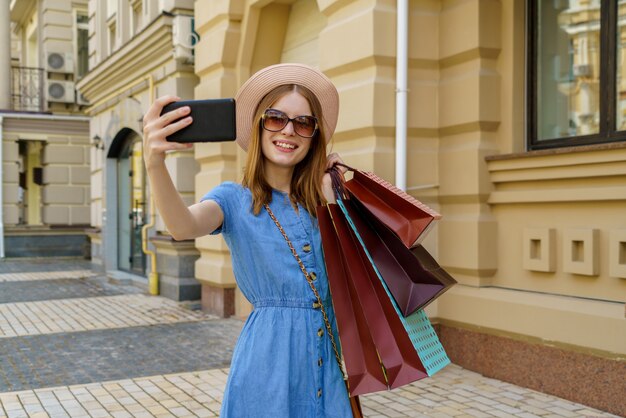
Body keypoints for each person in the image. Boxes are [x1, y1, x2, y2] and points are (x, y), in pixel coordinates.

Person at [142, 63, 354, 417]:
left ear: (314, 135)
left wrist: (338, 201)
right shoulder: (234, 200)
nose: (289, 131)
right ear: (258, 124)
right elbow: (182, 225)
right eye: (275, 118)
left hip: (326, 364)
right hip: (267, 369)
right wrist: (154, 163)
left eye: (303, 123)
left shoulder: (324, 200)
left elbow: (362, 275)